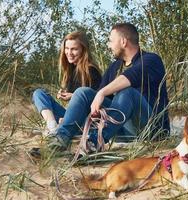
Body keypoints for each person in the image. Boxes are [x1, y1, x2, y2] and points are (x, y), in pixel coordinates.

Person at [47, 23, 170, 151]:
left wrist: (102, 93)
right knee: (82, 92)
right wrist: (93, 111)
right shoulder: (115, 67)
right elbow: (96, 98)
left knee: (127, 92)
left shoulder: (151, 60)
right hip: (121, 129)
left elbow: (131, 76)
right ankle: (60, 139)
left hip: (150, 129)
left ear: (123, 42)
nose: (108, 45)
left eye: (111, 41)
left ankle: (95, 143)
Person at [32, 31, 102, 136]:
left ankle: (65, 127)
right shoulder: (71, 69)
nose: (69, 52)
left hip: (87, 122)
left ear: (83, 50)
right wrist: (65, 95)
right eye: (67, 48)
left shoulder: (91, 70)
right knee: (39, 93)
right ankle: (52, 126)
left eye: (74, 49)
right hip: (71, 116)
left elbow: (96, 102)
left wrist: (74, 96)